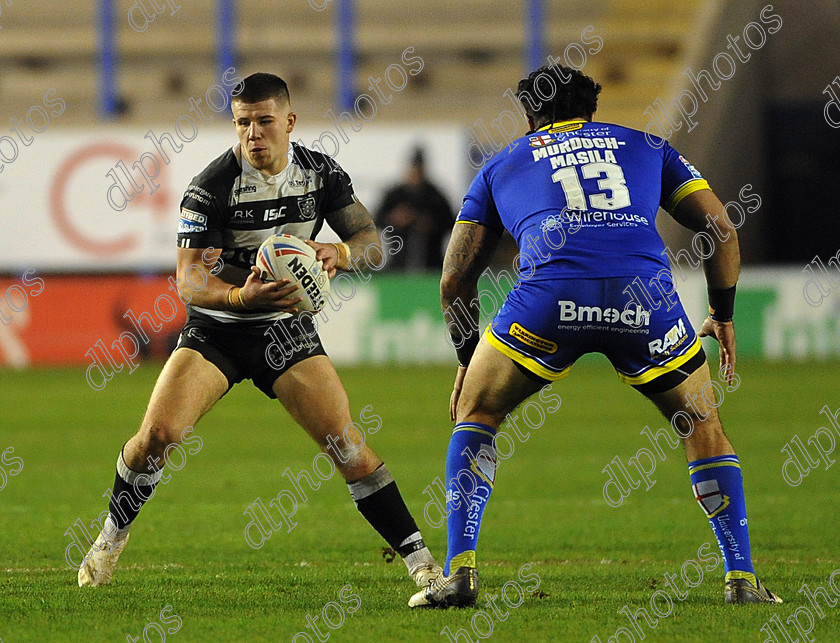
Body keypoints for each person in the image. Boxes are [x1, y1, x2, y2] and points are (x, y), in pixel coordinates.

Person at [409, 64, 781, 608]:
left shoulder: (502, 164)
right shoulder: (649, 146)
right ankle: (742, 580)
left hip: (547, 301)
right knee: (702, 424)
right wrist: (721, 314)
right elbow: (720, 229)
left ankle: (460, 573)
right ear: (592, 111)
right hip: (644, 302)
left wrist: (468, 362)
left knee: (478, 413)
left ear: (532, 116)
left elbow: (454, 281)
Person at [77, 73, 441, 591]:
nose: (253, 133)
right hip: (219, 329)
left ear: (289, 122)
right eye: (243, 123)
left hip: (286, 333)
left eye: (264, 121)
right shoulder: (210, 186)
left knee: (346, 444)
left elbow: (371, 242)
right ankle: (109, 541)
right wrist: (238, 297)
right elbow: (188, 279)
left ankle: (422, 564)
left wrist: (337, 253)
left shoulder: (320, 174)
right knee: (157, 437)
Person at [375, 147, 454, 270]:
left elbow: (452, 224)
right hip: (398, 266)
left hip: (431, 266)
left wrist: (430, 224)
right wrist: (394, 219)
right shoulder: (395, 195)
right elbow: (376, 221)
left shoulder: (436, 197)